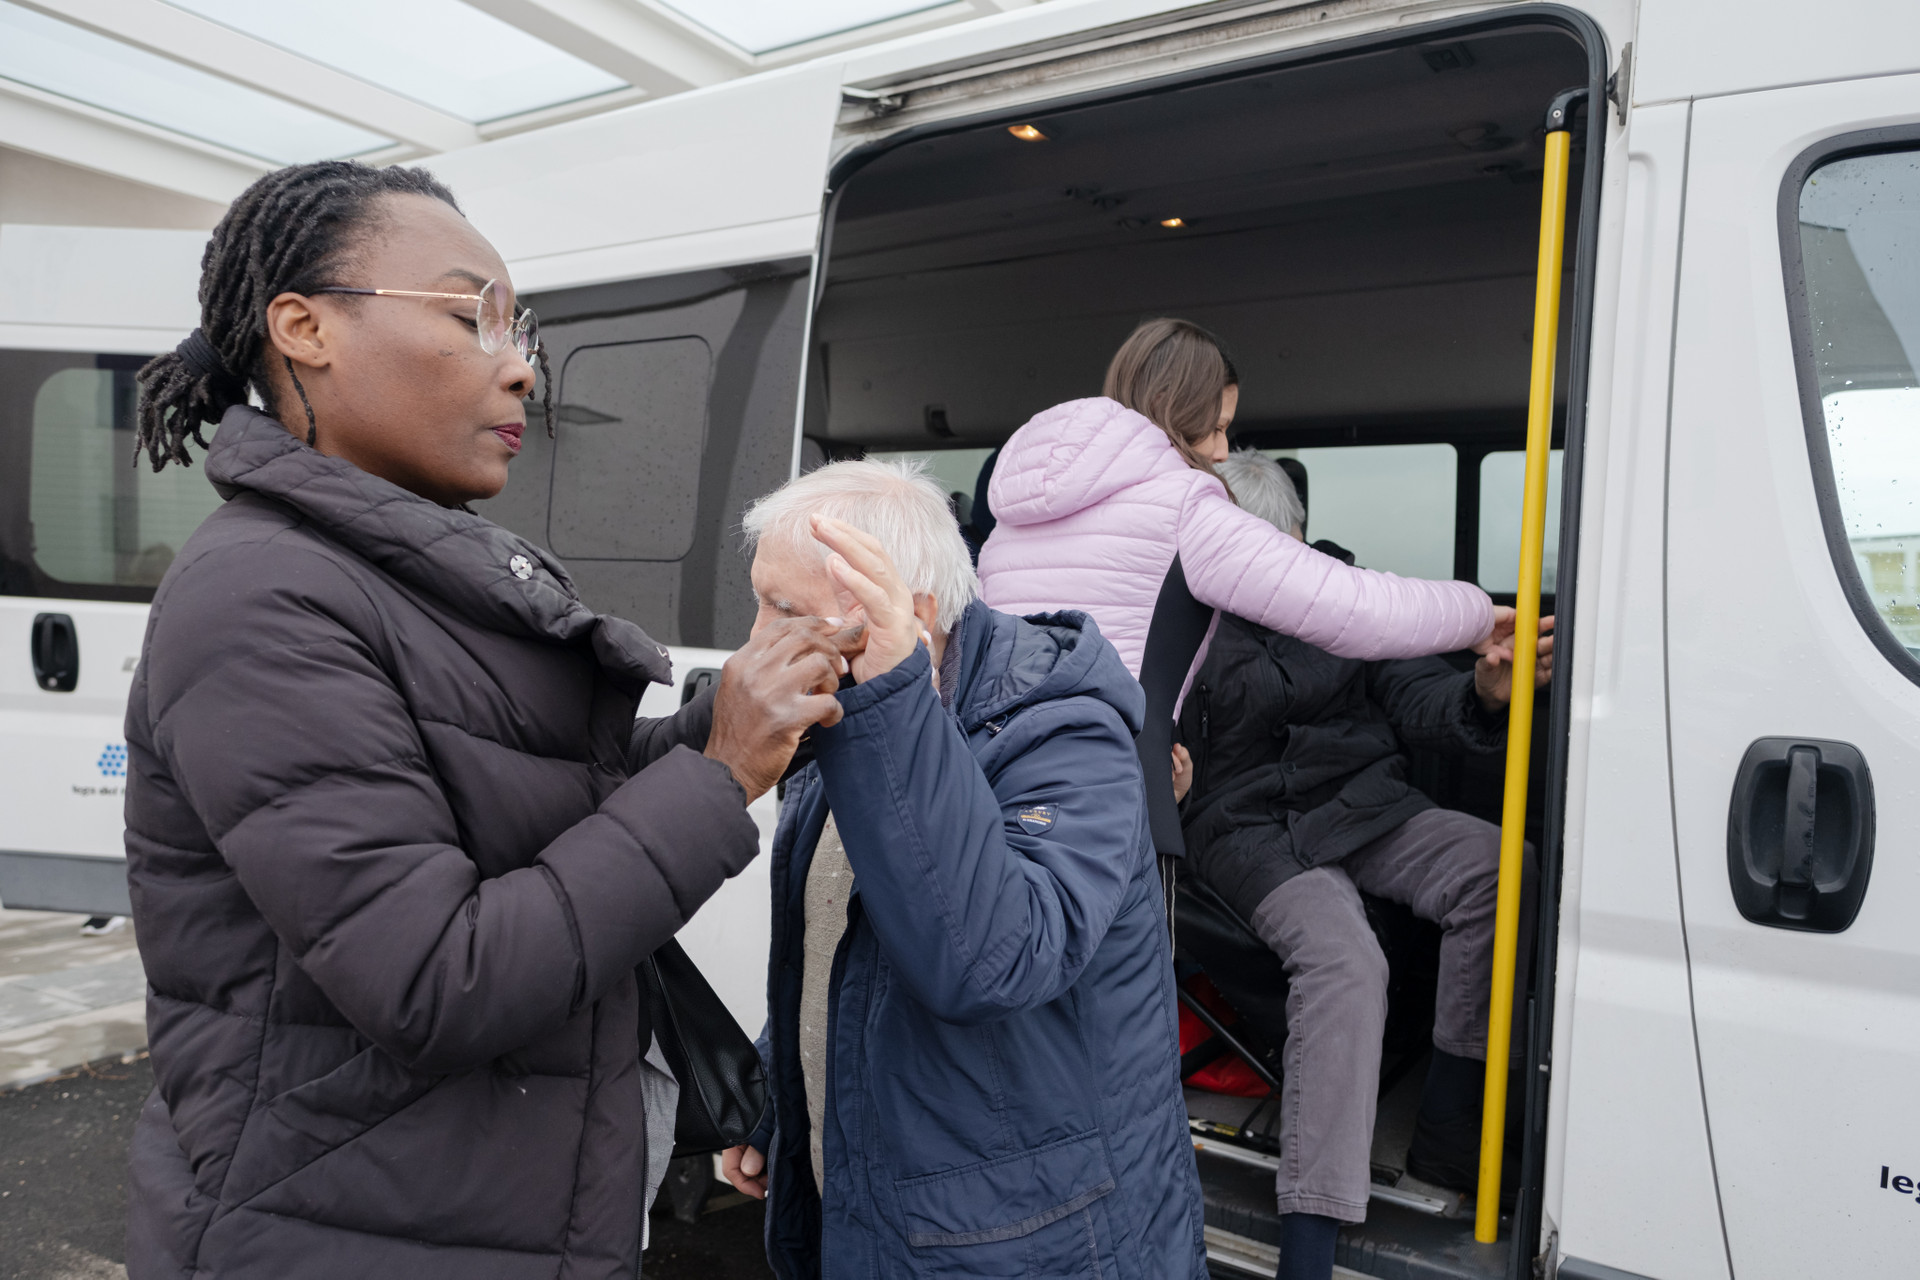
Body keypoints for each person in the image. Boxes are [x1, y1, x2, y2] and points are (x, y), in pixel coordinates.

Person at [121, 160, 847, 1279]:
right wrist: (719, 775)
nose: (522, 371)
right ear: (304, 327)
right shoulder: (258, 594)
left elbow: (542, 812)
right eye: (473, 317)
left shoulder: (406, 565)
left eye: (525, 331)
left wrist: (728, 718)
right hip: (344, 1226)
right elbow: (437, 973)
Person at [716, 459, 1207, 1278]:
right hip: (886, 1214)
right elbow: (838, 944)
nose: (755, 642)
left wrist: (893, 697)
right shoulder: (840, 715)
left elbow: (989, 960)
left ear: (907, 618)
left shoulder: (1063, 734)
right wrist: (778, 1088)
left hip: (1029, 1243)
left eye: (785, 610)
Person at [1176, 451, 1552, 1280]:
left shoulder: (1345, 592)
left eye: (1283, 552)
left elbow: (1416, 693)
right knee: (1346, 961)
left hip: (1362, 803)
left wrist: (1482, 693)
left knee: (1503, 869)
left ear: (1300, 537)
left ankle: (1455, 1132)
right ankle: (1309, 1246)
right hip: (1247, 830)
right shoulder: (1184, 615)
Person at [977, 318, 1508, 677]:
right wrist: (1479, 615)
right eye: (1217, 427)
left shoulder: (1010, 523)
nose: (1224, 450)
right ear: (1169, 405)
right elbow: (1357, 609)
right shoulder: (1183, 509)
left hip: (1002, 773)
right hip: (1104, 788)